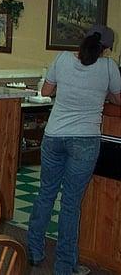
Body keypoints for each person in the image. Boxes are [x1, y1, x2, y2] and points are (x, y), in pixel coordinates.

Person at [27, 25, 121, 275]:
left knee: (46, 193)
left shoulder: (62, 59)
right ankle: (65, 266)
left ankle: (33, 251)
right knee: (70, 204)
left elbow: (46, 91)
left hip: (55, 135)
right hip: (85, 139)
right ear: (108, 48)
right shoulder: (109, 67)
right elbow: (118, 100)